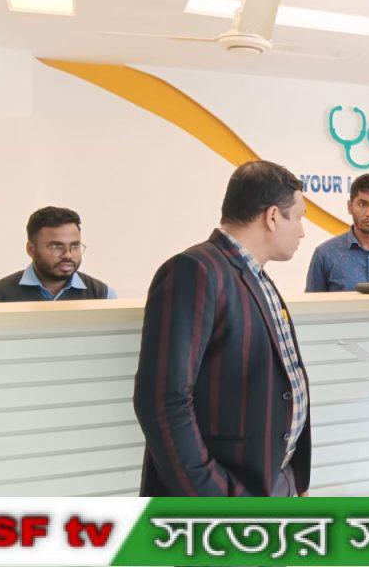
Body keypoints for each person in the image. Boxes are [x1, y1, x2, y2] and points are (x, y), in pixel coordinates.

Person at [133, 160, 311, 497]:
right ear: (273, 217)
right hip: (226, 492)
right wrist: (214, 496)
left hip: (271, 480)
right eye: (299, 218)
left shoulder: (255, 275)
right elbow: (162, 400)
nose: (302, 231)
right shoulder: (195, 270)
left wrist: (293, 478)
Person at [0, 206, 116, 302]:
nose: (68, 255)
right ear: (31, 249)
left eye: (75, 246)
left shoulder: (103, 295)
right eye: (55, 246)